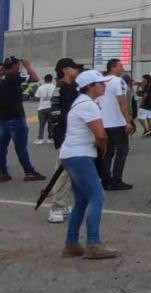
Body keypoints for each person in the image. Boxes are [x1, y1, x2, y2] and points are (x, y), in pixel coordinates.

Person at [58, 69, 118, 259]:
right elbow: (100, 134)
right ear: (89, 86)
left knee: (81, 201)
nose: (104, 85)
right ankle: (92, 243)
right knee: (97, 196)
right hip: (80, 155)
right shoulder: (88, 105)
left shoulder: (81, 102)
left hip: (72, 154)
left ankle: (72, 243)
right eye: (100, 83)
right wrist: (103, 150)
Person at [0, 57, 46, 182]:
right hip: (15, 116)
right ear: (14, 66)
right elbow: (35, 79)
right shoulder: (14, 76)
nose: (19, 67)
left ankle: (2, 172)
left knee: (0, 146)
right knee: (20, 146)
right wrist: (28, 66)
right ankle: (29, 172)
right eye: (18, 65)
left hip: (1, 117)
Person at [45, 57, 83, 223]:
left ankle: (64, 204)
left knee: (70, 172)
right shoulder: (66, 89)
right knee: (63, 172)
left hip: (65, 134)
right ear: (65, 70)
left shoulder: (63, 88)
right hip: (67, 135)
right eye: (74, 68)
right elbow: (65, 115)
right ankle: (56, 207)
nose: (77, 71)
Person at [98, 59, 134, 190]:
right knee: (122, 151)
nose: (122, 68)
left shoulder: (101, 81)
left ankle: (105, 179)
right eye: (120, 66)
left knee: (108, 153)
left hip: (104, 122)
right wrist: (128, 121)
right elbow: (122, 102)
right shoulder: (118, 81)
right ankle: (116, 179)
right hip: (117, 123)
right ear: (113, 67)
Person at [34, 74, 56, 144]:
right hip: (51, 107)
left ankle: (40, 139)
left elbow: (36, 97)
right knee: (51, 124)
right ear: (51, 79)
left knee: (41, 124)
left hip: (42, 107)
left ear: (45, 79)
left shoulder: (41, 87)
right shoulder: (54, 87)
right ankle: (50, 138)